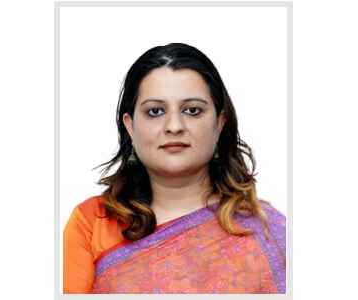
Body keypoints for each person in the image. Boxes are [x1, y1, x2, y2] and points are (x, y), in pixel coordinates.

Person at [63, 43, 286, 294]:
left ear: (220, 122)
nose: (174, 126)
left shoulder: (269, 232)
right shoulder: (92, 223)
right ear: (130, 125)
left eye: (192, 110)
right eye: (155, 111)